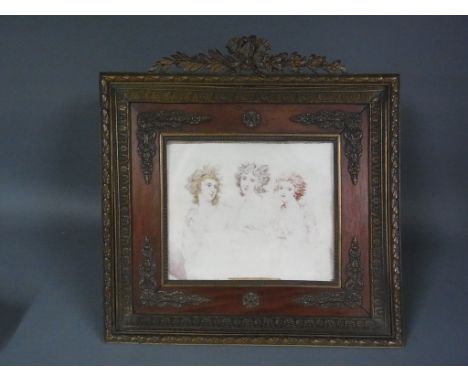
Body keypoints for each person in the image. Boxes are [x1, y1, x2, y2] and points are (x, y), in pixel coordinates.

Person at [170, 165, 229, 280]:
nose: (213, 189)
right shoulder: (191, 215)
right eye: (209, 185)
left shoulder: (222, 212)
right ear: (198, 186)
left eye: (215, 186)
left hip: (219, 266)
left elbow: (225, 243)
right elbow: (186, 248)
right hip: (196, 267)